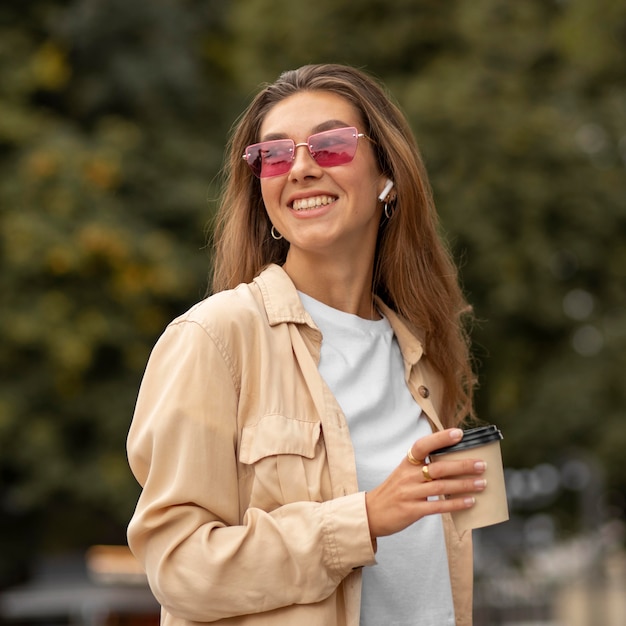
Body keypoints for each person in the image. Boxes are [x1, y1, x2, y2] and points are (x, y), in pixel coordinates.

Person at [127, 63, 487, 626]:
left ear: (386, 174)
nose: (299, 167)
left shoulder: (425, 357)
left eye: (331, 145)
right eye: (273, 155)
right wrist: (362, 520)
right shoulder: (215, 339)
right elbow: (178, 568)